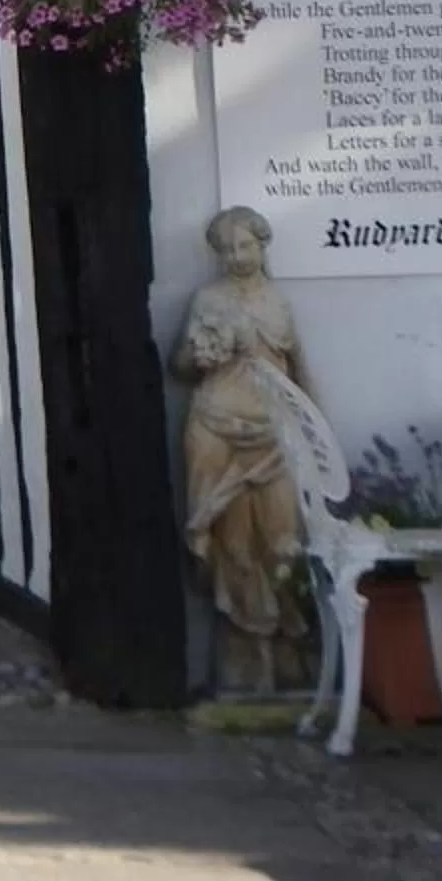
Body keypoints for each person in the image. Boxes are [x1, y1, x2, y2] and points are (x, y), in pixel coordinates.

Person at [174, 204, 313, 692]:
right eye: (228, 249)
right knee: (232, 546)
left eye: (245, 246)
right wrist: (206, 350)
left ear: (262, 246)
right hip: (215, 426)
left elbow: (300, 373)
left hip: (273, 434)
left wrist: (317, 434)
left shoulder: (278, 302)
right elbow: (182, 367)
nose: (237, 256)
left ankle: (287, 652)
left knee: (283, 542)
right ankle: (243, 662)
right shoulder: (208, 299)